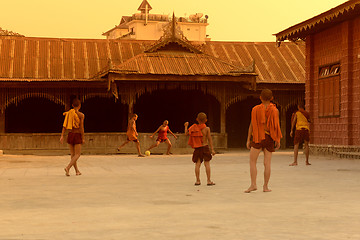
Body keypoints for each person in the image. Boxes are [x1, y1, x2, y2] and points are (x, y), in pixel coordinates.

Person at [245, 89, 282, 193]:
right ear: (272, 98)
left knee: (252, 161)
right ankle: (265, 187)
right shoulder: (275, 110)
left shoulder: (255, 109)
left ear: (260, 97)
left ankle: (253, 184)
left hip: (257, 137)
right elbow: (276, 126)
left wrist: (248, 139)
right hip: (269, 138)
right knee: (267, 163)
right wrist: (278, 140)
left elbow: (252, 125)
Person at [184, 112, 216, 186]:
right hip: (205, 147)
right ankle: (208, 180)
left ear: (197, 119)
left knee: (197, 164)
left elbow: (186, 134)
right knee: (207, 163)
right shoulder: (207, 129)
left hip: (198, 148)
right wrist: (212, 149)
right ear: (206, 120)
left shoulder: (193, 128)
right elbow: (210, 139)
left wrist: (186, 126)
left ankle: (197, 181)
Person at [60, 98, 85, 177]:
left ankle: (77, 171)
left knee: (72, 154)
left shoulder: (69, 113)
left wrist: (62, 136)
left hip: (70, 134)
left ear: (72, 105)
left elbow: (64, 126)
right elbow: (81, 127)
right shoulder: (81, 115)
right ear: (80, 106)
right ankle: (68, 167)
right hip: (77, 134)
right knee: (77, 154)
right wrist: (83, 137)